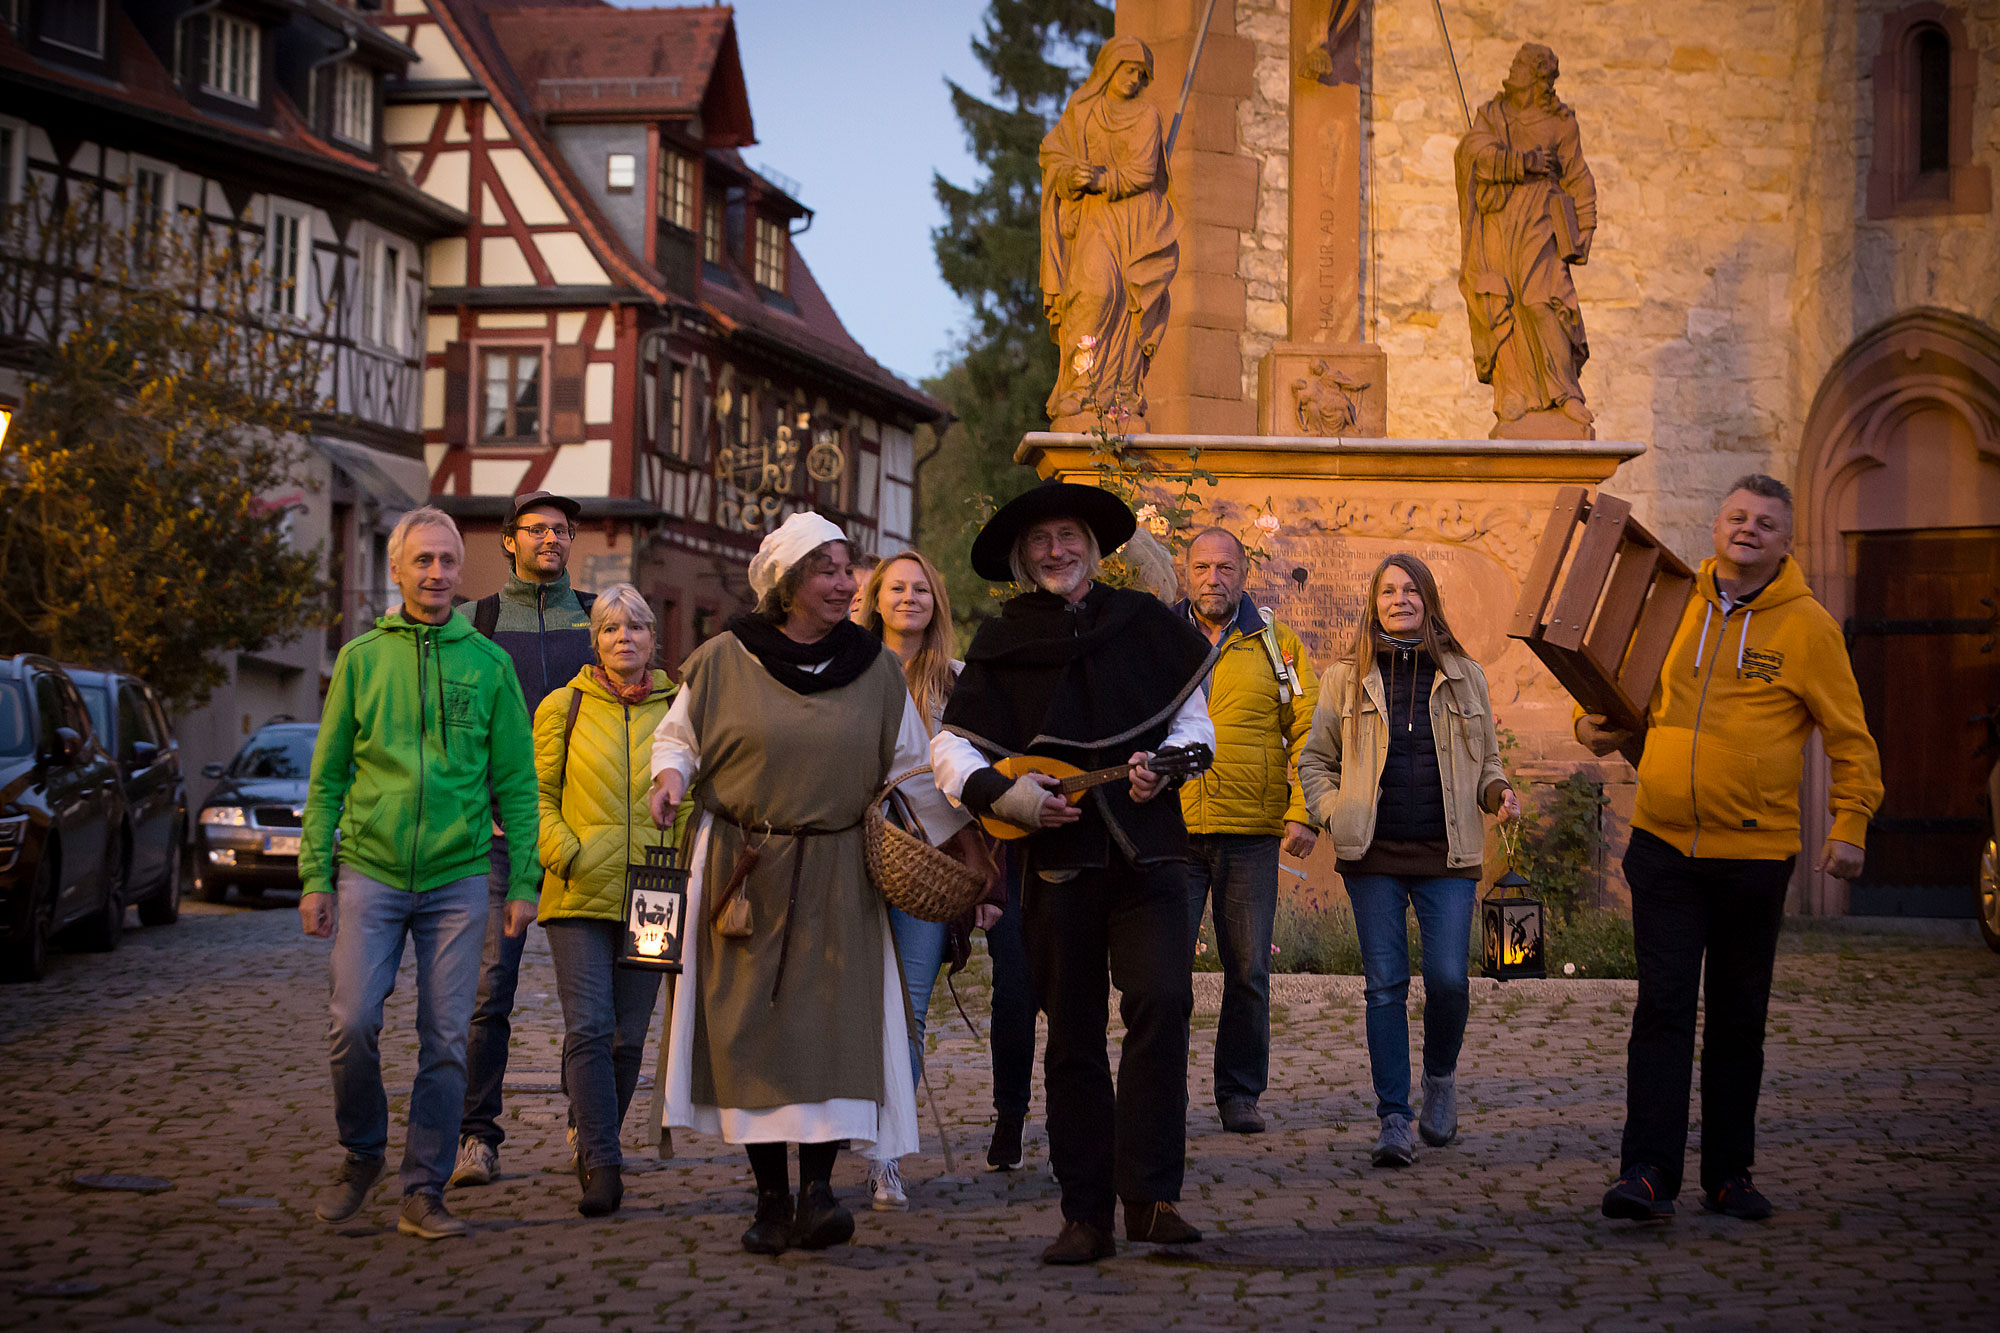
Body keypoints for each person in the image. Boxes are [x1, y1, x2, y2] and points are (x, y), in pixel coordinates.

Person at [930, 480, 1217, 1265]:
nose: (1055, 550)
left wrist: (1167, 764)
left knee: (1163, 1000)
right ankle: (1086, 1213)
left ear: (1092, 546)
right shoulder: (1004, 637)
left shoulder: (1143, 621)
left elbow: (1195, 723)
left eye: (1067, 536)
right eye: (1040, 540)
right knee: (1072, 1034)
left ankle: (1151, 1197)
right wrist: (1005, 795)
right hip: (1057, 866)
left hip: (1149, 852)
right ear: (1024, 557)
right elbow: (951, 748)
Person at [1584, 475, 1881, 1224]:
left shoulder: (1808, 627)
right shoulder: (1673, 603)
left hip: (1754, 855)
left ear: (1787, 542)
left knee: (1737, 1017)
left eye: (1765, 523)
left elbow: (1850, 737)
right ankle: (1647, 1172)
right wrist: (1597, 726)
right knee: (1662, 1008)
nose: (1748, 529)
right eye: (1737, 517)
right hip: (1662, 846)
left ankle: (1728, 1174)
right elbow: (1629, 699)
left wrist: (1850, 824)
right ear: (1716, 526)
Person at [645, 512, 941, 1257]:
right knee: (751, 1030)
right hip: (742, 871)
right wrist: (670, 779)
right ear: (787, 583)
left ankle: (818, 1193)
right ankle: (771, 1200)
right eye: (827, 570)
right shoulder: (723, 659)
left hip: (839, 870)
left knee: (830, 1029)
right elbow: (676, 739)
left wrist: (978, 835)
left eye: (848, 569)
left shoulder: (875, 669)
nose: (846, 583)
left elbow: (914, 769)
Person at [300, 507, 540, 1241]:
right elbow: (327, 777)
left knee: (445, 1039)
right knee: (352, 1021)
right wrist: (315, 875)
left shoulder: (489, 665)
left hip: (459, 878)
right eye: (423, 561)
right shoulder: (361, 659)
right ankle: (362, 1150)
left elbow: (518, 783)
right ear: (397, 569)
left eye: (447, 560)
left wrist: (524, 882)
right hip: (368, 871)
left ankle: (424, 1188)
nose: (437, 573)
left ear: (462, 571)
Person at [1297, 554, 1520, 1168]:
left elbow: (1488, 761)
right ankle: (1394, 1117)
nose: (1400, 600)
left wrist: (1498, 794)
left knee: (1448, 978)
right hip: (1372, 856)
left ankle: (1440, 1078)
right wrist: (1335, 811)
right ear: (1374, 604)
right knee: (1384, 987)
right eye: (1388, 591)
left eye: (1411, 590)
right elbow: (1315, 760)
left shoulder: (1465, 674)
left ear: (1428, 601)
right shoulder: (1346, 677)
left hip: (1449, 853)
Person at [450, 490, 597, 1190]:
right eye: (536, 529)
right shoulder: (475, 622)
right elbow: (455, 726)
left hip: (581, 836)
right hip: (500, 839)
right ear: (509, 540)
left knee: (587, 1000)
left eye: (561, 530)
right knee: (489, 991)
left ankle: (587, 1126)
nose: (551, 539)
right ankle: (475, 1135)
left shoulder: (598, 618)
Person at [855, 551, 1004, 1210]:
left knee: (910, 1011)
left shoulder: (959, 681)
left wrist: (987, 880)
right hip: (852, 857)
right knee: (851, 1007)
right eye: (896, 587)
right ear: (875, 599)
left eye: (921, 588)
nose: (909, 597)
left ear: (935, 601)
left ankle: (884, 1154)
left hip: (928, 862)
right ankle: (842, 1124)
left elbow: (984, 783)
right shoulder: (851, 672)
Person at [532, 584, 685, 1218]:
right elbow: (535, 796)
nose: (624, 638)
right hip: (577, 892)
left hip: (656, 890)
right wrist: (565, 852)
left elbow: (697, 792)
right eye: (610, 629)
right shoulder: (562, 707)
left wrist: (679, 855)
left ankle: (592, 1128)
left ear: (653, 638)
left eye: (636, 628)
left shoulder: (681, 711)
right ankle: (602, 1161)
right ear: (594, 640)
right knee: (589, 1026)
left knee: (628, 1036)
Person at [1174, 528, 1320, 1135]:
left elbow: (1310, 731)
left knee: (1249, 972)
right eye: (1202, 567)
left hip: (1252, 832)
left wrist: (1302, 810)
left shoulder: (1277, 644)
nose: (1214, 578)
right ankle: (1163, 1093)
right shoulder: (1158, 639)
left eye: (1226, 567)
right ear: (1185, 572)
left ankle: (1239, 1094)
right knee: (1163, 975)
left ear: (1244, 574)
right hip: (1171, 831)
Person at [1454, 42, 1599, 434]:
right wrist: (1521, 162)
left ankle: (1565, 393)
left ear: (1538, 77)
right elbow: (1474, 154)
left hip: (1540, 219)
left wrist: (1586, 225)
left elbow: (1578, 176)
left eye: (1520, 64)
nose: (1513, 68)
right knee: (1499, 301)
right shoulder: (1492, 115)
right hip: (1498, 220)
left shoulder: (1560, 123)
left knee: (1542, 300)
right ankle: (1512, 392)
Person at [1039, 36, 1179, 428]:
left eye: (1141, 74)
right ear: (1109, 67)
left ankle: (1119, 395)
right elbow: (1054, 157)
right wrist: (1069, 178)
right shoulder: (1082, 110)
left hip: (1137, 223)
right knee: (1094, 293)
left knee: (1130, 308)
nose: (1134, 79)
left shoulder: (1147, 116)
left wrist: (1101, 179)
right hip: (1095, 218)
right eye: (1128, 70)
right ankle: (1079, 386)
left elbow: (1144, 173)